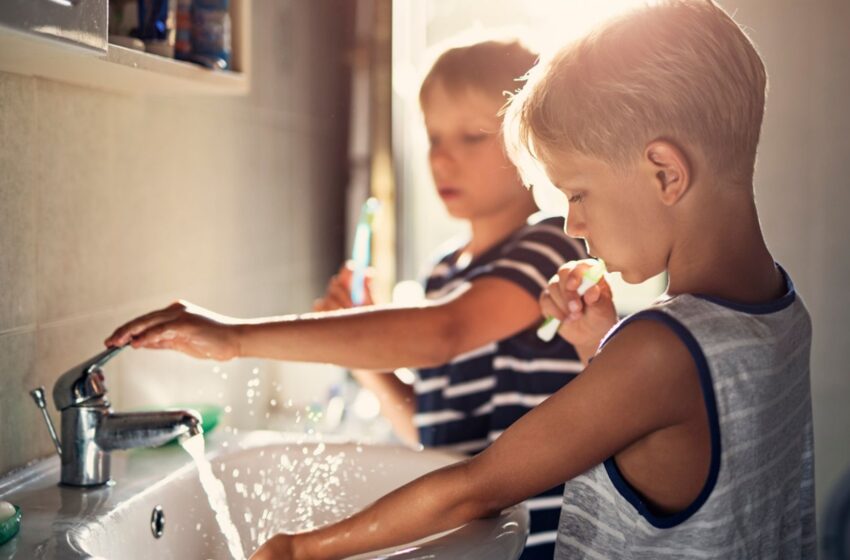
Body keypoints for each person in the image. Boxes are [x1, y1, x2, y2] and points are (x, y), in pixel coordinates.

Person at [242, 1, 815, 558]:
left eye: (577, 193)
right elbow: (679, 442)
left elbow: (476, 488)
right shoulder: (778, 310)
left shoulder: (660, 350)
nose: (572, 223)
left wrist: (298, 550)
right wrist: (600, 345)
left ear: (666, 173)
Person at [106, 37, 587, 560]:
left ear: (529, 142)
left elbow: (444, 333)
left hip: (537, 543)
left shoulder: (551, 245)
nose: (443, 157)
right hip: (474, 536)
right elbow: (427, 425)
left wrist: (235, 337)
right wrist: (364, 352)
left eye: (471, 137)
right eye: (431, 138)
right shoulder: (446, 271)